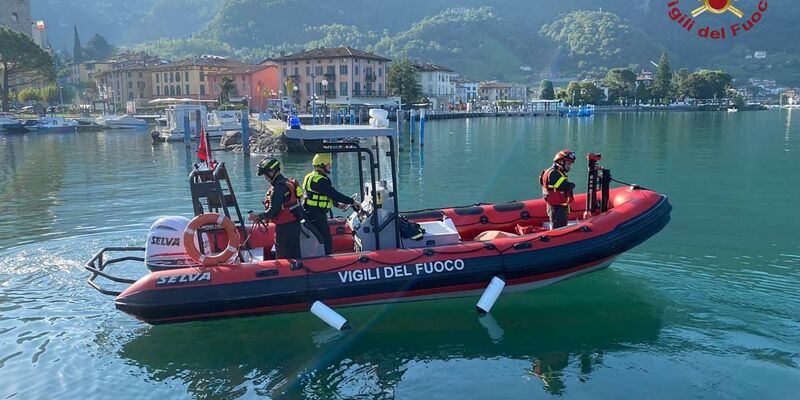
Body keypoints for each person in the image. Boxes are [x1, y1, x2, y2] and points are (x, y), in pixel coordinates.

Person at [302, 153, 361, 255]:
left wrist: (337, 205)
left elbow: (323, 195)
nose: (330, 166)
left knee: (322, 237)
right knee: (327, 239)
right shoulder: (321, 180)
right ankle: (328, 260)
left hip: (311, 212)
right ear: (322, 165)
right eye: (328, 164)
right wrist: (352, 201)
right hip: (318, 214)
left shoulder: (311, 176)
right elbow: (334, 194)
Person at [248, 157, 303, 259]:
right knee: (295, 253)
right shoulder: (288, 182)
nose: (265, 177)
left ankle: (286, 273)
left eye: (265, 174)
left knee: (284, 256)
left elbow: (272, 212)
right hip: (293, 225)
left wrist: (257, 216)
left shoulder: (279, 189)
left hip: (285, 229)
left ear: (272, 171)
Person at [540, 149, 577, 229]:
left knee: (558, 225)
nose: (569, 166)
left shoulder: (552, 171)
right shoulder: (554, 174)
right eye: (568, 164)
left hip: (555, 206)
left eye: (570, 164)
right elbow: (565, 186)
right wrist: (572, 185)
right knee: (559, 228)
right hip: (557, 208)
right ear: (560, 162)